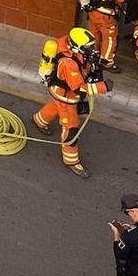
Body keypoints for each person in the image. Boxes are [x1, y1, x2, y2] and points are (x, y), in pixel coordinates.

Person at [32, 27, 111, 178]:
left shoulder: (72, 50)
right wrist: (103, 87)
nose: (92, 50)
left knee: (54, 107)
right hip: (66, 97)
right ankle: (71, 161)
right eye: (88, 47)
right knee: (71, 127)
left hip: (59, 93)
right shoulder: (68, 64)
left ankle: (39, 120)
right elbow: (80, 89)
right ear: (76, 47)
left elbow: (83, 67)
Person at [78, 0, 132, 72]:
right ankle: (106, 62)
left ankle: (93, 55)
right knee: (110, 39)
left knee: (94, 35)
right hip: (106, 16)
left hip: (93, 13)